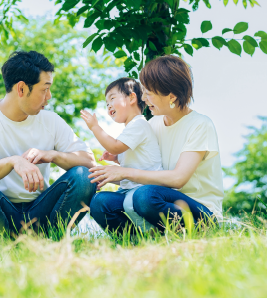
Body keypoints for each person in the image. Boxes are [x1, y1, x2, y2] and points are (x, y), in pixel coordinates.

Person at [0, 50, 97, 241]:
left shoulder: (51, 121)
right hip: (1, 209)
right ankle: (0, 249)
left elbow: (90, 163)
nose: (49, 97)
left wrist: (53, 155)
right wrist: (13, 162)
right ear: (21, 89)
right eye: (44, 89)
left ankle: (52, 243)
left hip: (42, 211)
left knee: (84, 177)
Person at [89, 55, 224, 232]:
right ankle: (140, 242)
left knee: (144, 196)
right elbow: (149, 168)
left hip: (199, 210)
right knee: (100, 202)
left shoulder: (200, 125)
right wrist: (118, 164)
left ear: (172, 96)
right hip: (158, 201)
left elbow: (177, 179)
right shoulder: (153, 124)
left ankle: (200, 230)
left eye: (148, 93)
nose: (143, 98)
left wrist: (124, 172)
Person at [80, 78, 162, 232]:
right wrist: (117, 160)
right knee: (99, 201)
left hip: (145, 194)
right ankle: (132, 239)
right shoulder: (130, 129)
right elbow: (133, 164)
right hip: (128, 193)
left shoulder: (139, 124)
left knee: (133, 201)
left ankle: (152, 232)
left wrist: (94, 127)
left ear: (132, 98)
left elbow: (114, 146)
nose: (109, 105)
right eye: (106, 103)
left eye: (112, 98)